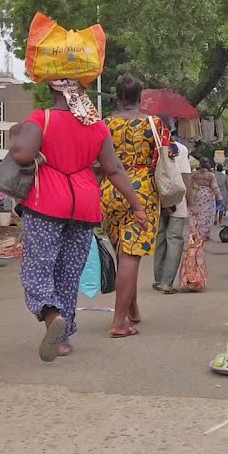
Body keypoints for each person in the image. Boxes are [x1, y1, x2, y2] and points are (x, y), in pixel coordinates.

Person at [11, 79, 144, 362]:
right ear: (83, 90)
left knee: (38, 269)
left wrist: (17, 136)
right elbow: (114, 169)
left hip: (46, 202)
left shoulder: (41, 118)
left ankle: (51, 318)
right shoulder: (96, 126)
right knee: (69, 274)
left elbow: (22, 155)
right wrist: (137, 206)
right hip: (84, 206)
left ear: (50, 90)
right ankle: (63, 338)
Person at [102, 75, 175, 337]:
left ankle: (131, 307)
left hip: (110, 191)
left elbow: (96, 161)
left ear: (117, 96)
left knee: (121, 252)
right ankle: (118, 322)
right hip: (142, 191)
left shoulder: (104, 124)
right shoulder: (154, 124)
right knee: (130, 256)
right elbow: (169, 154)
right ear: (140, 97)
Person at [152, 137, 193, 294]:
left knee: (160, 238)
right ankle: (167, 282)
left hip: (157, 199)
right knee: (174, 239)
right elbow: (185, 177)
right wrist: (191, 202)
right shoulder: (180, 149)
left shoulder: (153, 146)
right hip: (178, 201)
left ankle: (158, 279)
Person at [180, 158, 224, 292]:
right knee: (206, 216)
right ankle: (203, 235)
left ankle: (195, 232)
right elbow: (215, 187)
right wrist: (220, 198)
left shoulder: (195, 175)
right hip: (208, 196)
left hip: (197, 194)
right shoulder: (210, 175)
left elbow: (190, 185)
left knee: (196, 215)